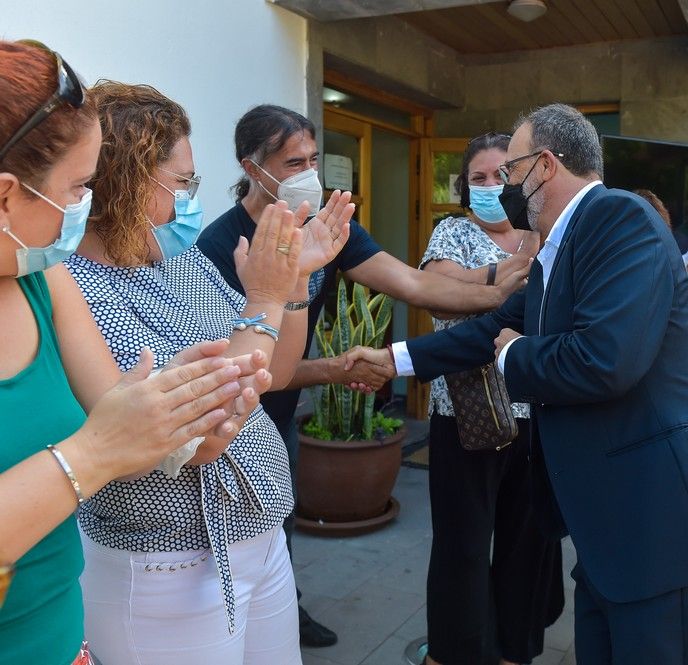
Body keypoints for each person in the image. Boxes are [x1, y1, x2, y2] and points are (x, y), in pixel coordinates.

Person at [347, 103, 688, 665]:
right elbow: (492, 325)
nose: (506, 187)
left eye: (510, 172)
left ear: (543, 166)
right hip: (608, 520)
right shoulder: (559, 246)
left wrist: (514, 357)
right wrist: (394, 360)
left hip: (654, 517)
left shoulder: (619, 218)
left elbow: (604, 360)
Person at [196, 105, 531, 648]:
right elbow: (252, 368)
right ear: (251, 167)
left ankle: (284, 616)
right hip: (237, 414)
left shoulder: (325, 225)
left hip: (277, 415)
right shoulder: (222, 246)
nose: (307, 171)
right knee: (240, 542)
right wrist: (330, 368)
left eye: (312, 158)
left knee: (276, 529)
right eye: (292, 161)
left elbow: (414, 286)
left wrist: (496, 292)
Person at [63, 81, 354, 664]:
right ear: (126, 184)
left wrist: (293, 285)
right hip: (165, 562)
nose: (188, 199)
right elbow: (198, 436)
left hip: (260, 539)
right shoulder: (78, 292)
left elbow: (276, 365)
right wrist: (267, 297)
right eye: (181, 182)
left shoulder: (182, 263)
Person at [0, 41, 265, 665]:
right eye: (77, 187)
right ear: (7, 194)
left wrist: (180, 403)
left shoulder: (42, 278)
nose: (82, 208)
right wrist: (93, 452)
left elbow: (131, 415)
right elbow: (105, 440)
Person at [418, 131, 562, 665]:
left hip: (539, 412)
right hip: (467, 416)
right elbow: (437, 288)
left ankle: (512, 651)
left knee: (529, 544)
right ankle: (453, 653)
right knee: (463, 545)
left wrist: (482, 294)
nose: (489, 186)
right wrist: (504, 280)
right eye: (477, 178)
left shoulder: (550, 230)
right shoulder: (451, 232)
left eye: (501, 175)